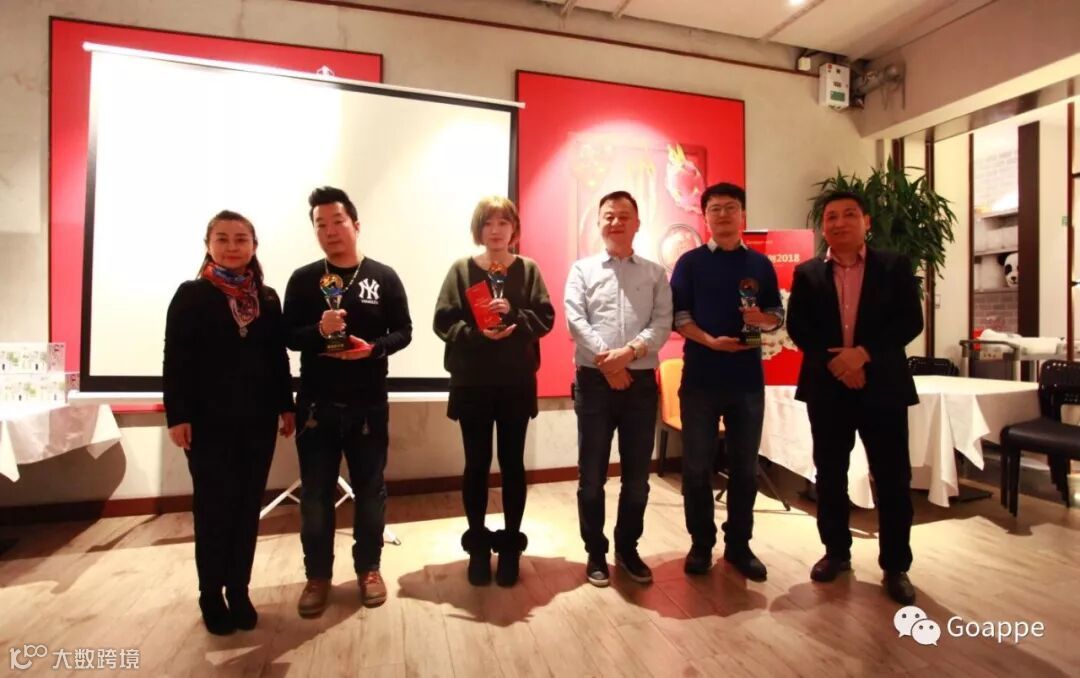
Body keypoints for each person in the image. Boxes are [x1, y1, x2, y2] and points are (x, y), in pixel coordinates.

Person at [786, 190, 923, 605]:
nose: (839, 222)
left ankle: (896, 565)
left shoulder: (894, 266)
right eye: (831, 216)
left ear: (866, 222)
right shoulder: (808, 273)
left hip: (883, 387)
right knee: (830, 474)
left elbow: (909, 321)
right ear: (823, 225)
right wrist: (839, 364)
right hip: (828, 387)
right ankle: (836, 552)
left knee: (893, 477)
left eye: (849, 214)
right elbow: (799, 327)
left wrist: (861, 355)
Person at [163, 210, 295, 636]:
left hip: (257, 422)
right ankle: (210, 594)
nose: (232, 246)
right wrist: (178, 415)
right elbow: (175, 359)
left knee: (246, 508)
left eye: (241, 239)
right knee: (213, 509)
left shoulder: (267, 298)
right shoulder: (191, 295)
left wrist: (286, 405)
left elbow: (277, 358)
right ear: (208, 245)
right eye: (222, 238)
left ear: (254, 246)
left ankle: (239, 590)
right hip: (207, 425)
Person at [283, 186, 413, 616]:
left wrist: (373, 350)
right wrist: (319, 331)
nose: (330, 230)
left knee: (370, 491)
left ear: (355, 225)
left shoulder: (383, 276)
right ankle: (317, 576)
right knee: (316, 495)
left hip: (368, 405)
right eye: (320, 224)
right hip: (316, 407)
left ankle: (369, 569)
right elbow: (287, 336)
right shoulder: (303, 279)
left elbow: (404, 331)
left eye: (337, 221)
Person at [433, 196, 555, 587]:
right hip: (472, 382)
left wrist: (514, 315)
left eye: (504, 222)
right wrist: (476, 334)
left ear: (514, 228)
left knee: (513, 464)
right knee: (476, 464)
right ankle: (478, 546)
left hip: (516, 382)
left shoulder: (528, 269)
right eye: (488, 223)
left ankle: (510, 547)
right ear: (479, 229)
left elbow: (546, 318)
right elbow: (442, 321)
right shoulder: (461, 269)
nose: (496, 230)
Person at [669, 182, 783, 581]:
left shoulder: (761, 264)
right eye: (715, 209)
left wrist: (763, 320)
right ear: (705, 217)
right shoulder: (690, 263)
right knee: (697, 468)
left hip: (747, 380)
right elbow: (679, 317)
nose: (723, 214)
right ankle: (701, 544)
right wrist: (710, 341)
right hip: (700, 378)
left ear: (742, 214)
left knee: (745, 469)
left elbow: (776, 314)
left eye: (730, 207)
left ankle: (739, 545)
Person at [564, 190, 672, 587]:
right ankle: (595, 551)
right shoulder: (582, 270)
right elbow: (575, 320)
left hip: (640, 383)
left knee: (637, 477)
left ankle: (627, 549)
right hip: (594, 381)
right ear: (599, 223)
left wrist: (628, 354)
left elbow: (662, 323)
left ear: (637, 223)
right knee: (591, 475)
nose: (616, 222)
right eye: (608, 216)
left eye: (624, 216)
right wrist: (608, 364)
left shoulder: (655, 273)